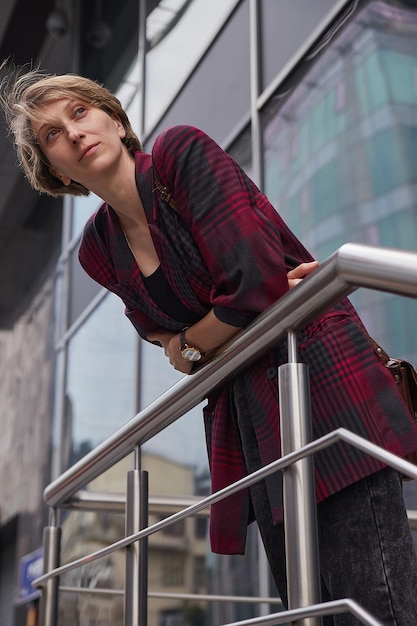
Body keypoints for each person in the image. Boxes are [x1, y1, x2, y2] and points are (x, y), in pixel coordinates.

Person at [2, 65, 417, 626]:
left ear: (117, 121)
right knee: (308, 610)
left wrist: (196, 341)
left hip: (320, 381)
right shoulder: (98, 247)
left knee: (377, 601)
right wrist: (221, 320)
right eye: (52, 134)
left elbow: (254, 285)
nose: (73, 133)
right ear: (53, 170)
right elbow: (156, 331)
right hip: (250, 413)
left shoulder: (179, 153)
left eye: (80, 112)